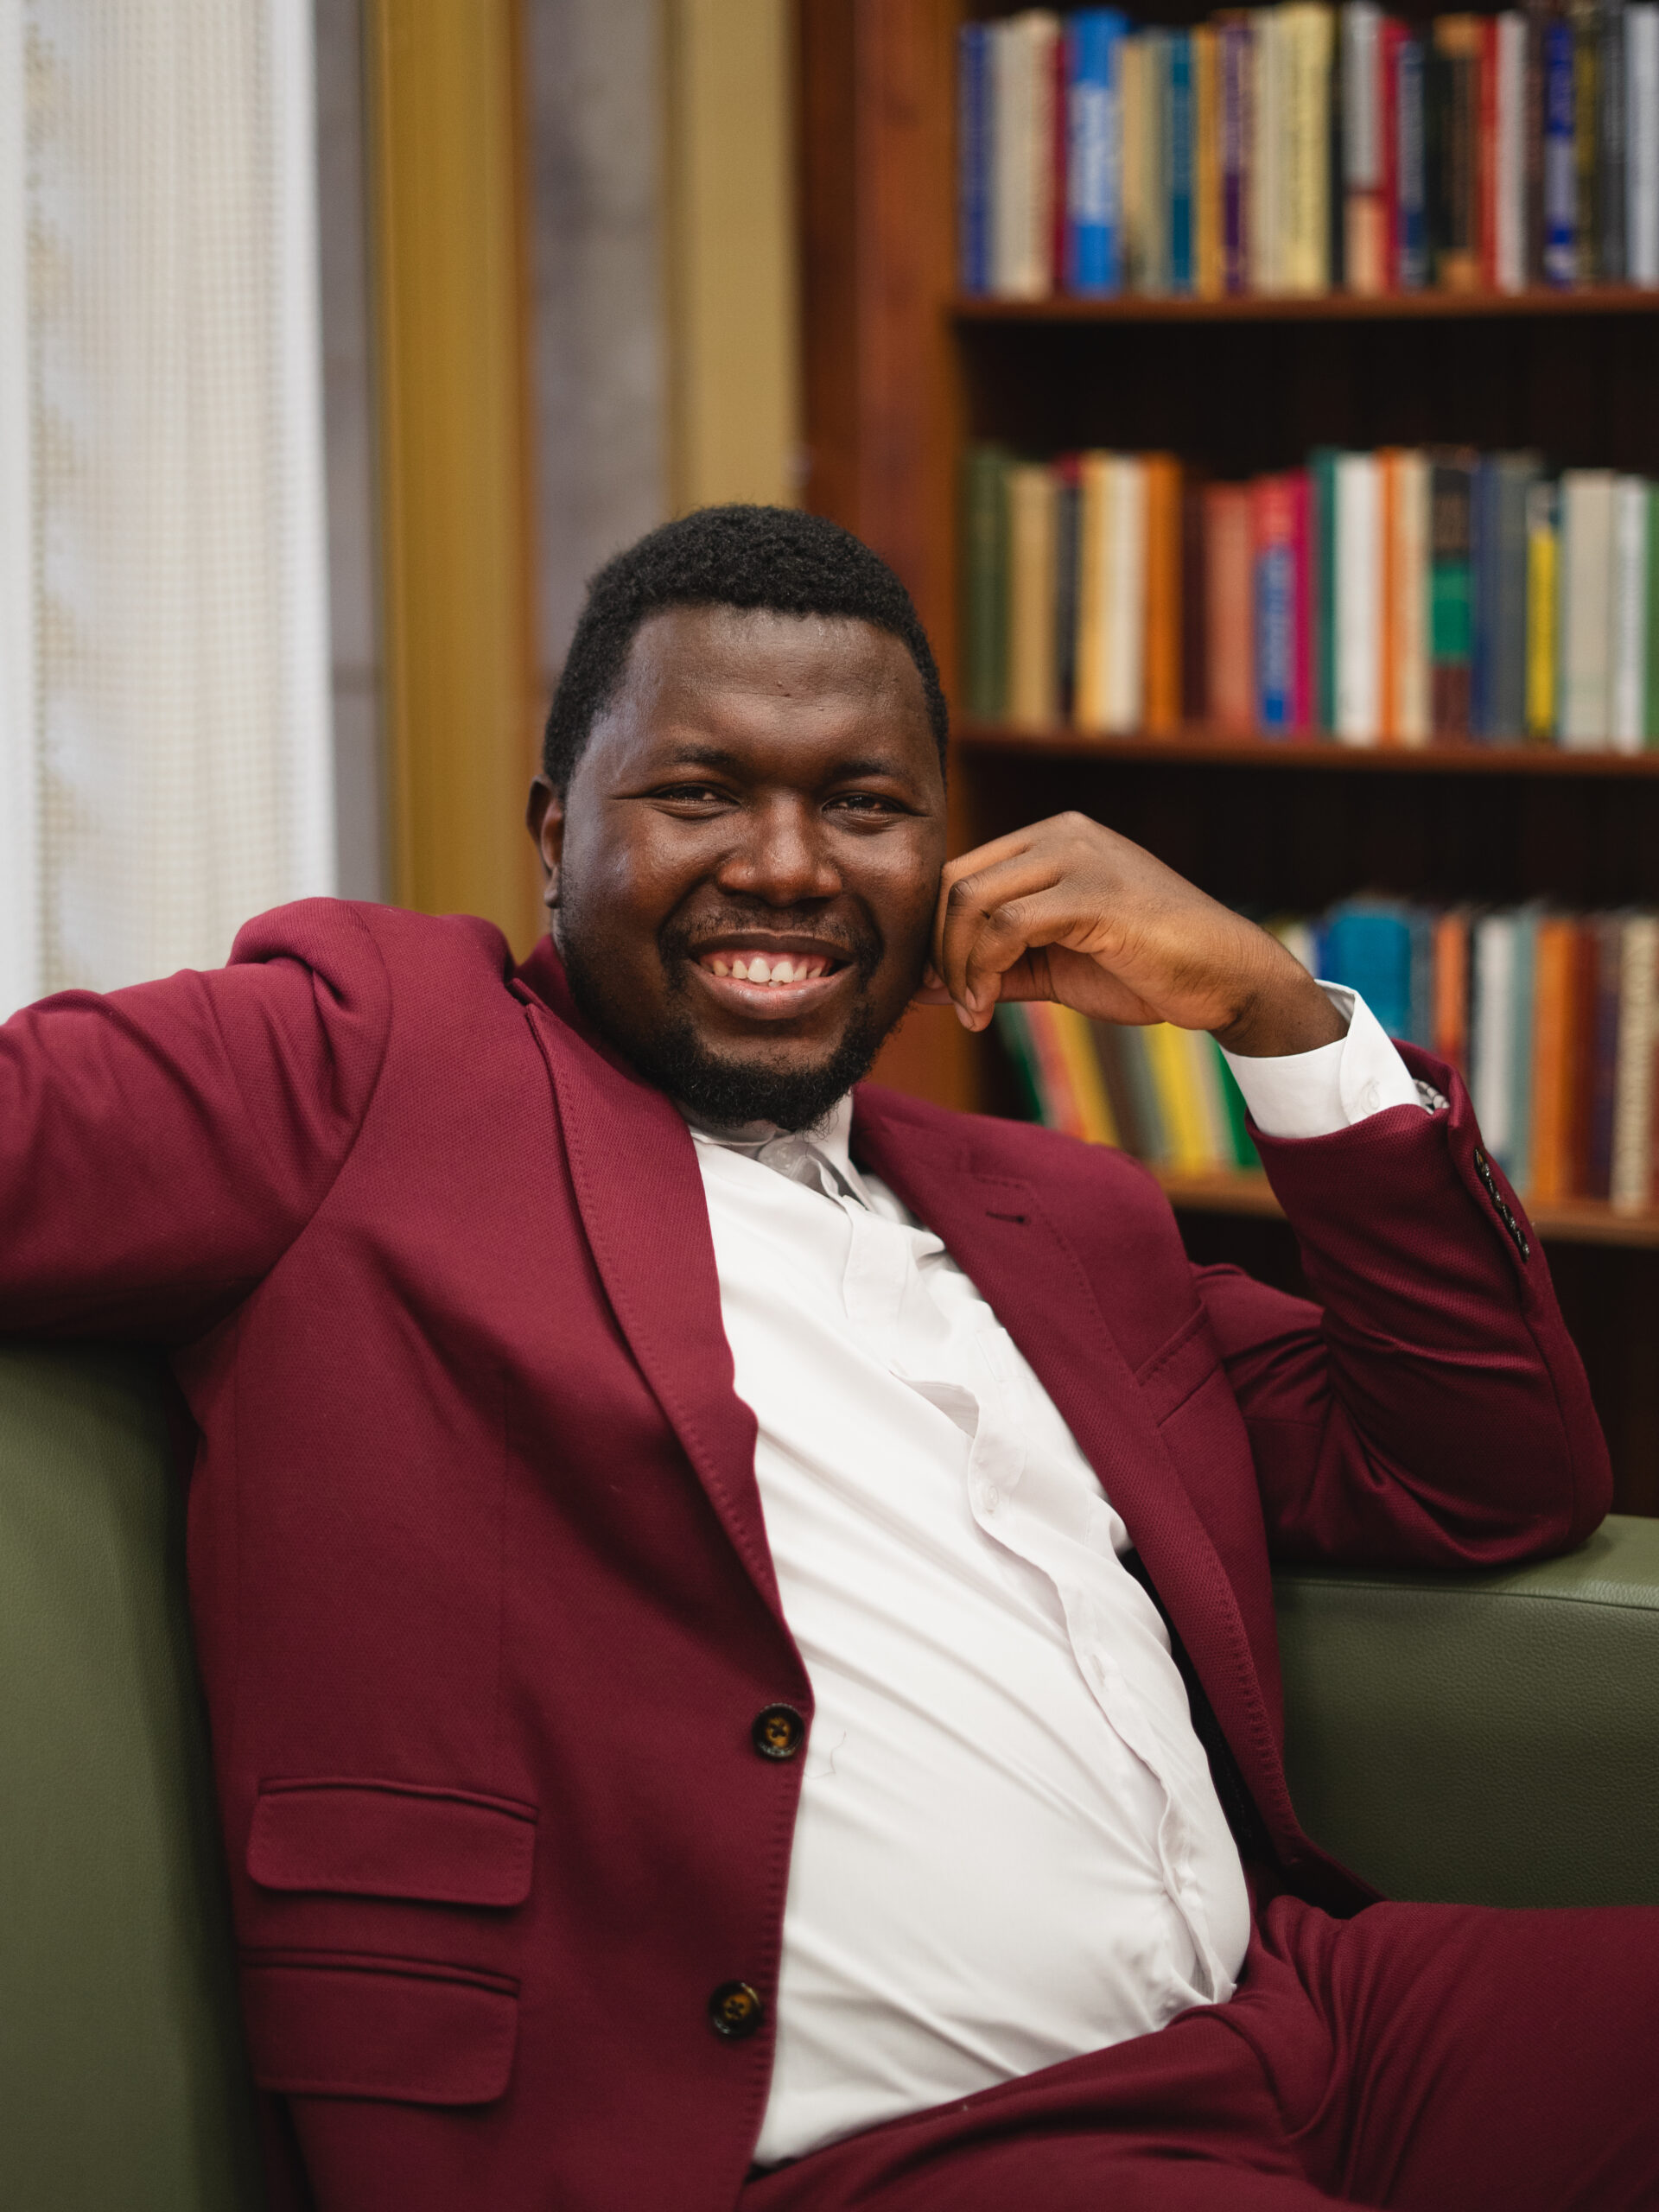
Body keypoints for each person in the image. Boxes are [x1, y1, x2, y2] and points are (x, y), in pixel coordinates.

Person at [2, 504, 1652, 2212]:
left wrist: (1274, 1012)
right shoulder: (369, 1061)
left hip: (1305, 2027)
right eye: (701, 792)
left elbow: (1487, 1469)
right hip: (876, 2151)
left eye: (863, 804)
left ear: (946, 864)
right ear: (556, 833)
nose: (786, 861)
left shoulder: (1054, 1212)